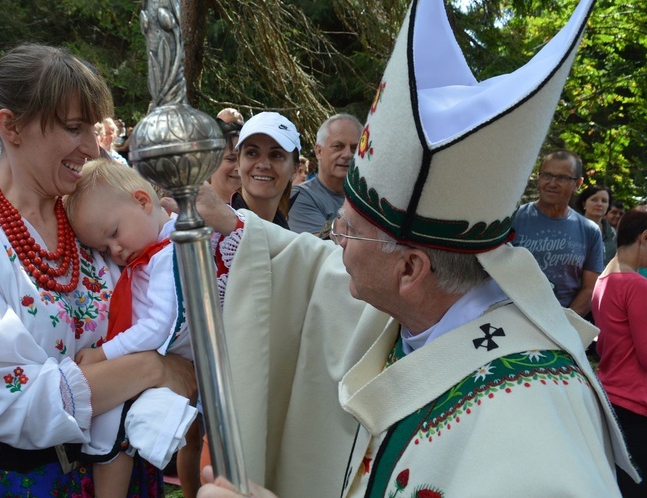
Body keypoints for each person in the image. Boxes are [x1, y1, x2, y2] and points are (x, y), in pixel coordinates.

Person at [188, 0, 637, 496]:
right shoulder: (423, 308)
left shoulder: (534, 427)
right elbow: (322, 270)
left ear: (411, 269)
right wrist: (237, 226)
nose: (334, 241)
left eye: (347, 230)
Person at [0, 44, 196, 496]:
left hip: (123, 475)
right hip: (20, 484)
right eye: (74, 128)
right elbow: (17, 404)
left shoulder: (95, 225)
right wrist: (153, 369)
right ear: (11, 126)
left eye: (92, 129)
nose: (92, 147)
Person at [65, 159, 202, 498]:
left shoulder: (168, 254)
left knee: (119, 423)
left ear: (142, 201)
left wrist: (103, 354)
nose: (115, 251)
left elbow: (158, 326)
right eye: (102, 249)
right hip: (160, 363)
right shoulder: (150, 251)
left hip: (174, 360)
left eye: (113, 234)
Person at [591, 206, 647, 497]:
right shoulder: (636, 284)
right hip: (637, 403)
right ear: (644, 237)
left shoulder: (604, 278)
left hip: (612, 396)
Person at [512, 149, 604, 316]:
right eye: (546, 175)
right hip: (510, 321)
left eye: (562, 178)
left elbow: (590, 289)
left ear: (578, 184)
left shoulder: (590, 231)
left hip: (562, 326)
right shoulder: (513, 219)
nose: (552, 183)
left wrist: (562, 326)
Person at [288, 114, 362, 235]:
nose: (348, 154)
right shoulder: (300, 197)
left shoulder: (369, 198)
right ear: (319, 152)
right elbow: (322, 249)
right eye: (338, 146)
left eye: (355, 148)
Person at [230, 111, 300, 229]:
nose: (263, 165)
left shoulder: (289, 235)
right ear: (239, 161)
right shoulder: (214, 234)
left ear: (294, 169)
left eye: (276, 155)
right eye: (252, 153)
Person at [576, 184, 617, 263]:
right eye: (594, 200)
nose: (599, 204)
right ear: (584, 204)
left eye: (604, 201)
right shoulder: (573, 227)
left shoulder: (612, 233)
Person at [209, 120, 242, 203]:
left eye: (244, 160)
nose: (239, 168)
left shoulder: (264, 212)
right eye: (231, 159)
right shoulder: (179, 210)